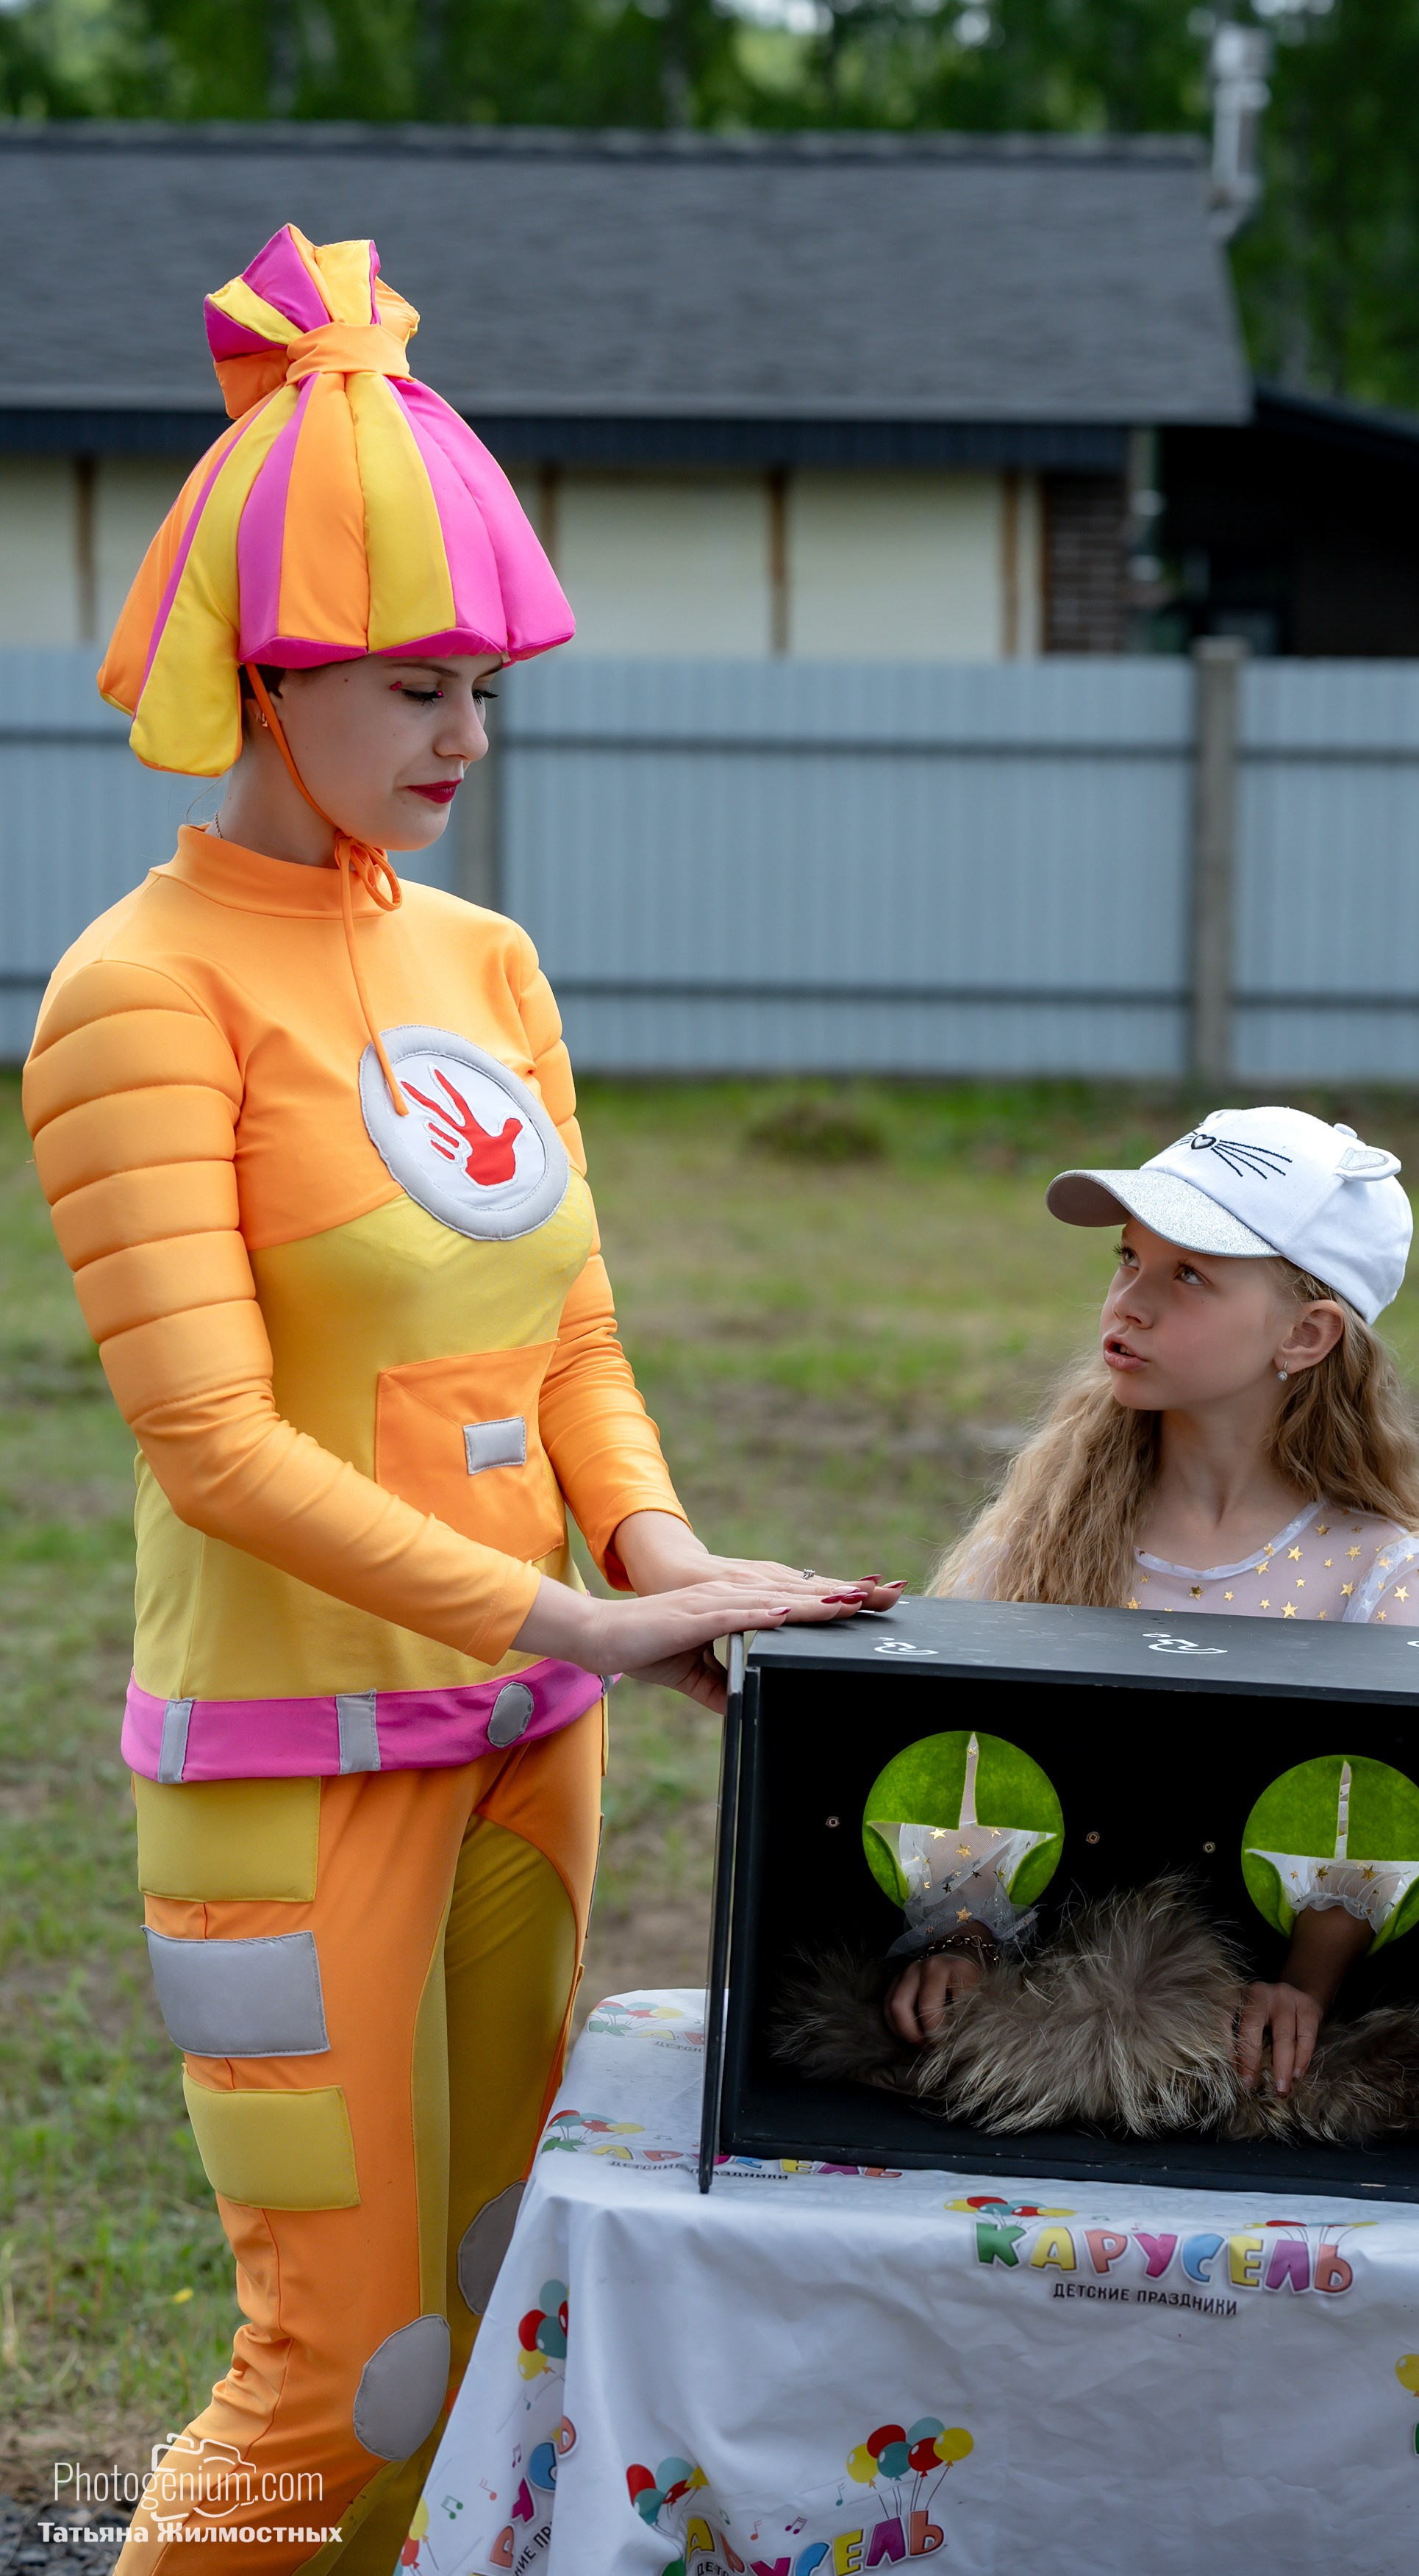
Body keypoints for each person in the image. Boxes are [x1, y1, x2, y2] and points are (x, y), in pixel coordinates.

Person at [22, 224, 897, 2576]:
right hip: (293, 1781)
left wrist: (663, 1561)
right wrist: (578, 1625)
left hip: (527, 1749)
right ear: (262, 674)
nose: (462, 743)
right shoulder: (134, 994)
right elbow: (212, 1445)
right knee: (338, 2365)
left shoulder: (484, 961)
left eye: (485, 690)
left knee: (499, 2311)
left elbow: (572, 1336)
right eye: (417, 687)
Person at [888, 1105, 1419, 2097]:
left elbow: (1367, 1817)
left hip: (1229, 2032)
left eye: (1188, 1275)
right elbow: (964, 1751)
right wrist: (963, 1933)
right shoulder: (1038, 1528)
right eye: (1127, 1260)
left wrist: (1302, 1985)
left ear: (1307, 1333)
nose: (1129, 1304)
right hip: (1036, 2005)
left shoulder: (1379, 1572)